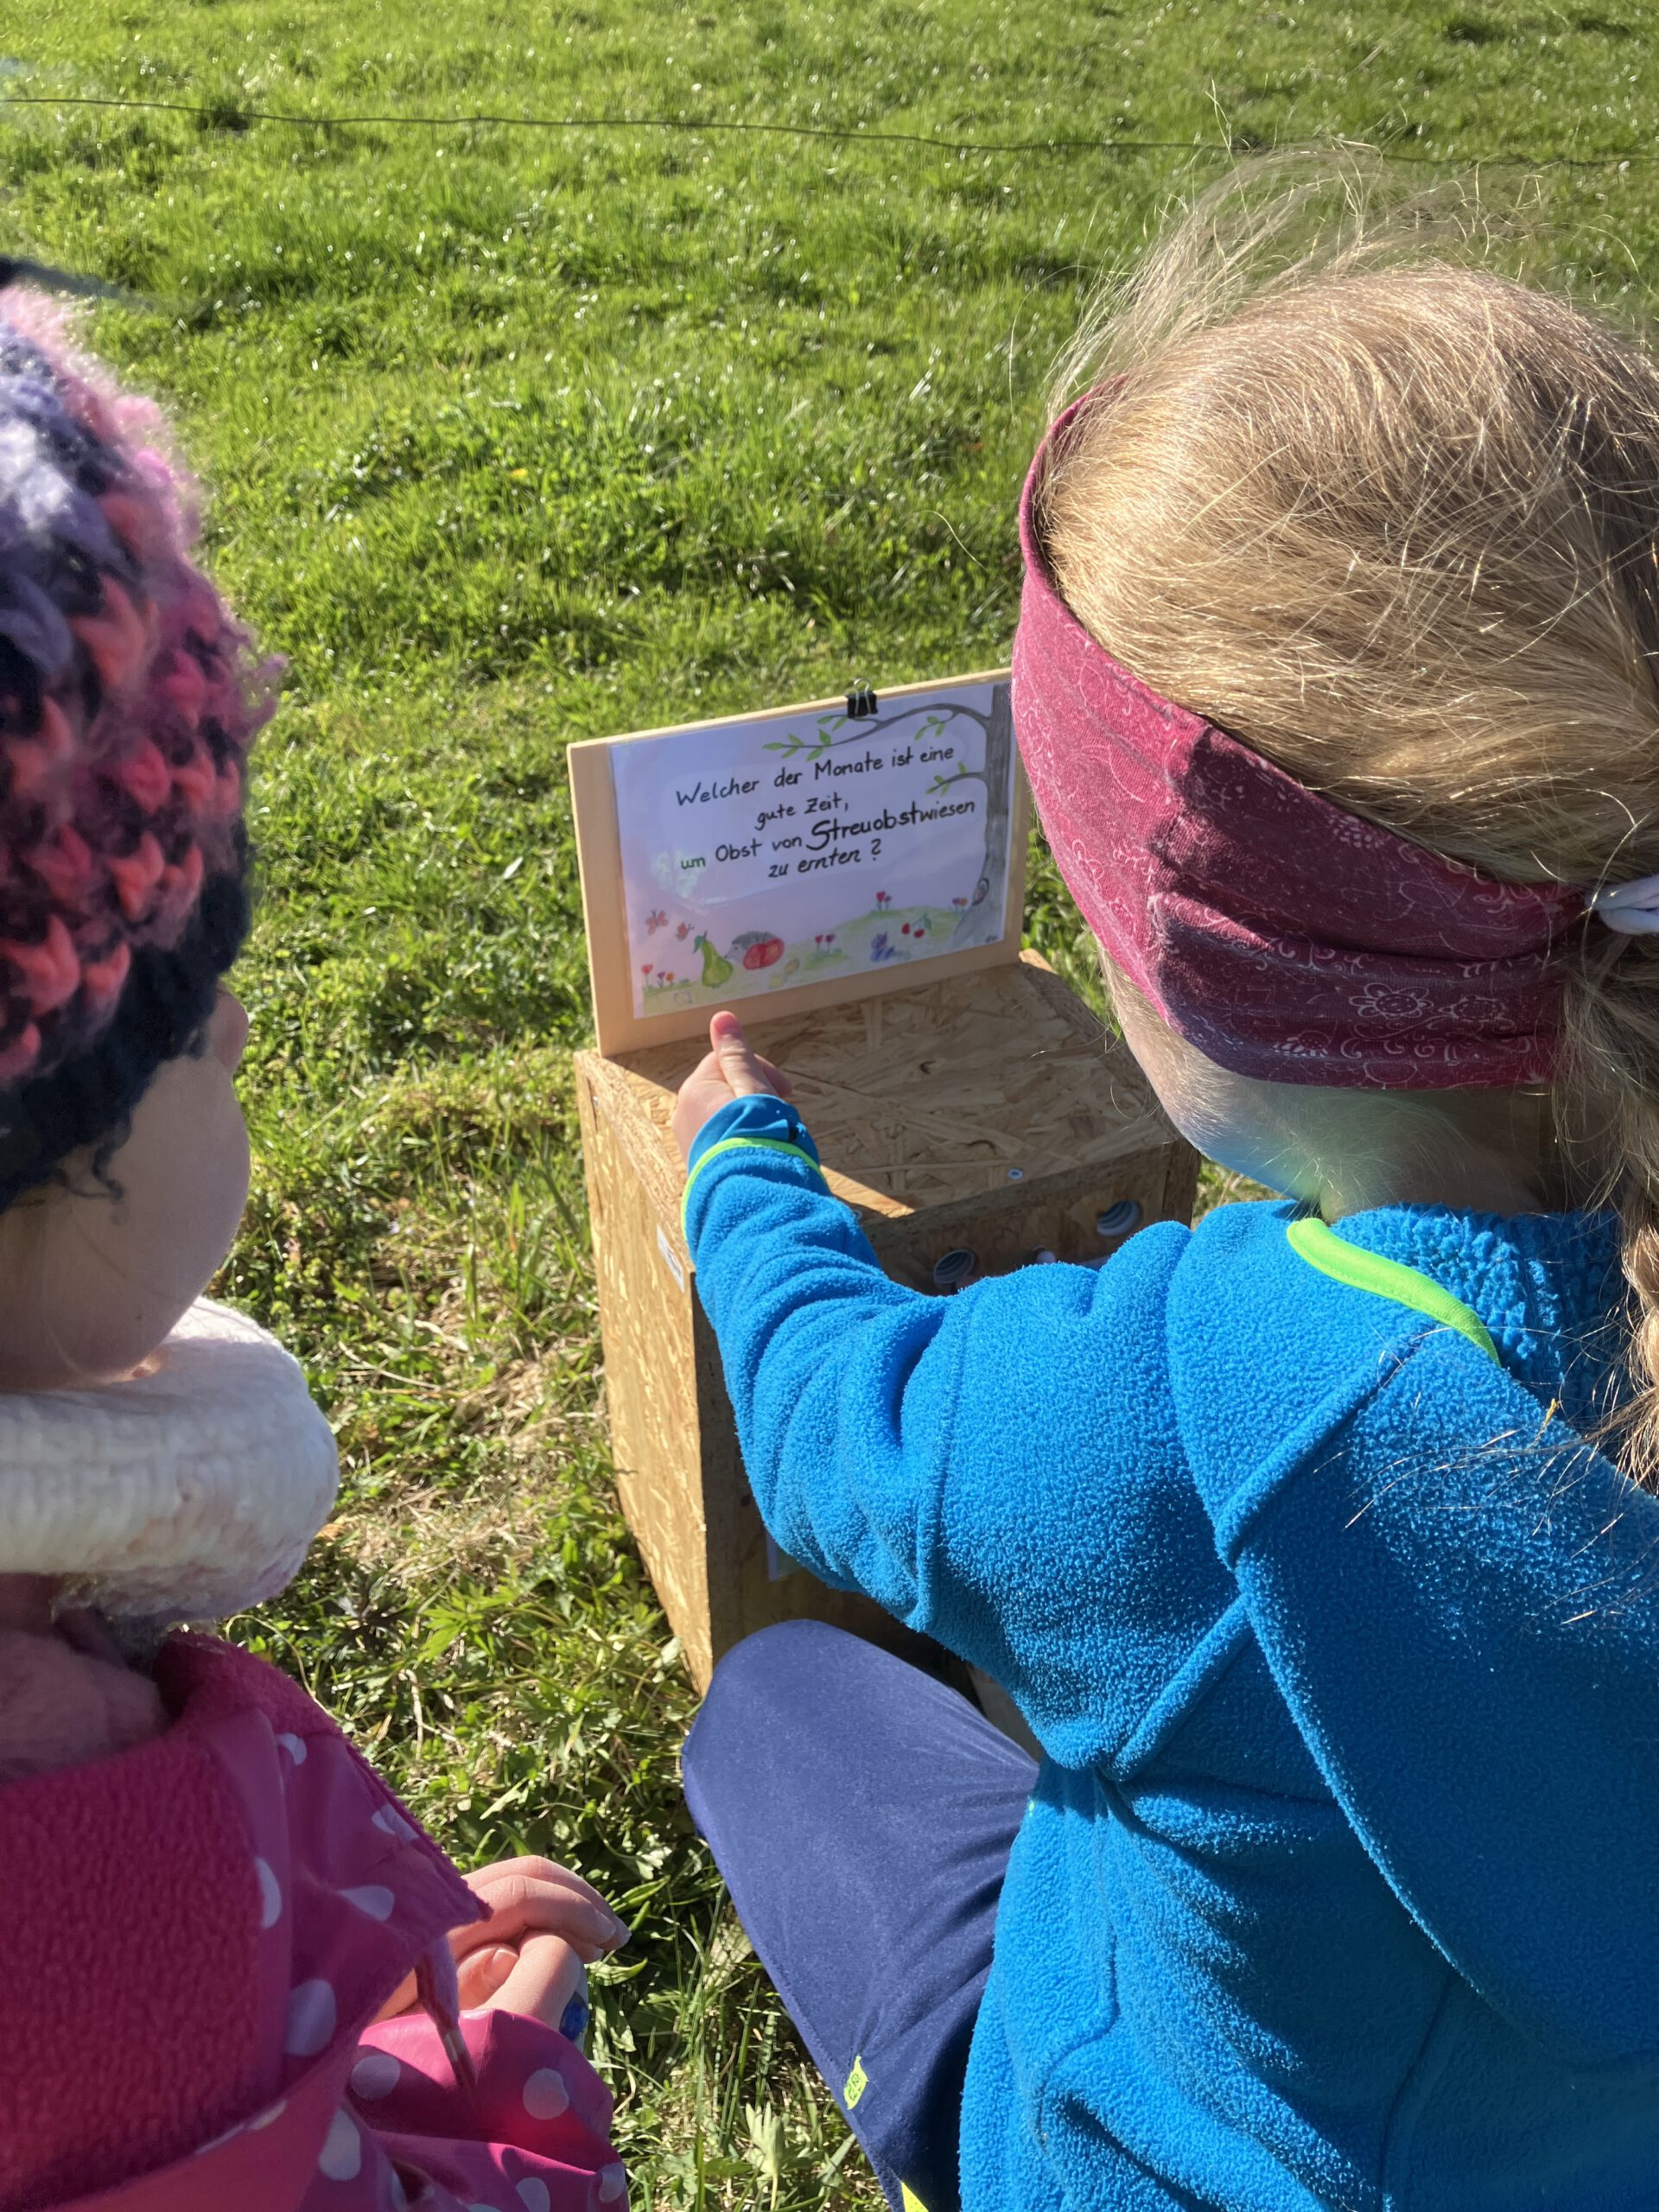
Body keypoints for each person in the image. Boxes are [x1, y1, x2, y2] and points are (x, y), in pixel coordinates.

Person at [674, 171, 1659, 2212]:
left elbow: (837, 1438)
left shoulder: (1196, 1411)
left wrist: (739, 1174)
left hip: (1127, 2144)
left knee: (780, 1701)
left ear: (1201, 961)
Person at [0, 294, 630, 2209]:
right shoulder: (80, 1834)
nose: (243, 1042)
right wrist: (458, 2063)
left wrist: (333, 1944)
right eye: (190, 1021)